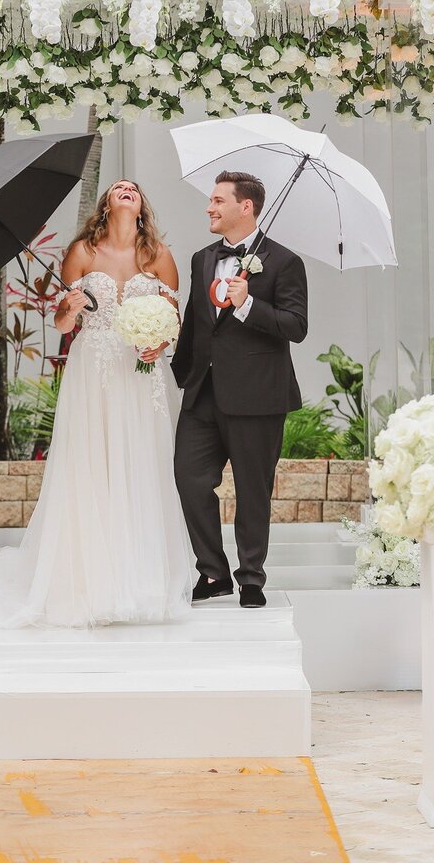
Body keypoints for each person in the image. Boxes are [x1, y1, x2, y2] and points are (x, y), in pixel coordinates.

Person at [0, 179, 192, 628]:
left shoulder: (159, 255)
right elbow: (65, 321)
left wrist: (160, 341)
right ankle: (91, 582)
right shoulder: (83, 252)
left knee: (142, 466)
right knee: (91, 465)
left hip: (142, 372)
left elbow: (176, 319)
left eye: (134, 188)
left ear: (141, 205)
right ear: (107, 205)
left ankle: (144, 581)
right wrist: (68, 305)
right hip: (96, 369)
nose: (127, 190)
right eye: (118, 187)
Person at [171, 170, 308, 609]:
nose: (209, 208)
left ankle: (251, 577)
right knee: (189, 479)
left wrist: (248, 304)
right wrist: (179, 369)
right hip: (203, 393)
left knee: (252, 491)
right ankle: (212, 572)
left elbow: (296, 327)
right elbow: (196, 319)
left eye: (217, 200)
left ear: (244, 207)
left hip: (258, 395)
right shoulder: (200, 258)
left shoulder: (285, 262)